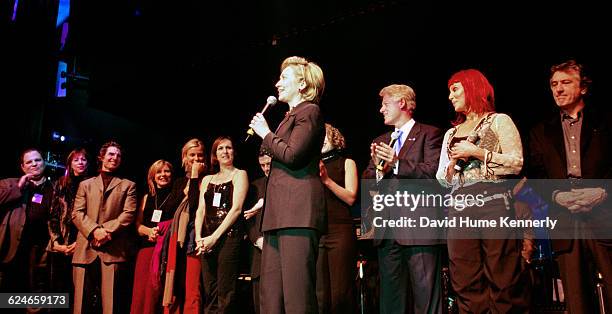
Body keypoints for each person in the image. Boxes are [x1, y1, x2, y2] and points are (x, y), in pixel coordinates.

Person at [436, 69, 528, 313]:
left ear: (473, 87)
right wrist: (453, 164)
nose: (449, 96)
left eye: (455, 89)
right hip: (460, 207)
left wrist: (476, 153)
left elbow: (516, 162)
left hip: (494, 202)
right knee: (464, 278)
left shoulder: (499, 121)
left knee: (502, 276)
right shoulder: (451, 134)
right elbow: (442, 180)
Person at [528, 60, 612, 313]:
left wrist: (604, 191)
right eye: (554, 84)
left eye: (566, 83)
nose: (558, 89)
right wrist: (556, 195)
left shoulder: (606, 124)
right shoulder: (540, 132)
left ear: (583, 88)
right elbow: (536, 176)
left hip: (604, 212)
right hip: (565, 216)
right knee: (576, 299)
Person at [249, 55, 326, 313]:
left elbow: (293, 155)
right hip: (277, 215)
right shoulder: (289, 116)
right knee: (271, 296)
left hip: (297, 213)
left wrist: (265, 133)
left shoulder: (310, 112)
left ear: (302, 84)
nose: (278, 84)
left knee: (298, 295)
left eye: (284, 78)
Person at [362, 84, 444, 314]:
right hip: (388, 232)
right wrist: (380, 169)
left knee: (426, 298)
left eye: (385, 104)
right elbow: (369, 178)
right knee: (391, 302)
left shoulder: (430, 134)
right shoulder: (380, 141)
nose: (381, 109)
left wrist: (397, 163)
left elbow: (433, 174)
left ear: (402, 103)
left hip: (419, 229)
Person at [72, 141, 137, 314]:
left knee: (111, 305)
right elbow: (77, 213)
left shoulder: (128, 185)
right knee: (80, 303)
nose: (114, 158)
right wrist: (95, 231)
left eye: (118, 155)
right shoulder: (85, 184)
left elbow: (128, 214)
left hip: (113, 250)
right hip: (86, 248)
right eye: (111, 154)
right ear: (101, 157)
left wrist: (106, 232)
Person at [194, 136, 248, 313]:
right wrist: (199, 238)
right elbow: (200, 210)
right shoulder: (207, 179)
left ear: (234, 152)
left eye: (229, 148)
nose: (225, 151)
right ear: (214, 155)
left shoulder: (240, 174)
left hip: (228, 237)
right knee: (210, 290)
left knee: (226, 291)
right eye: (220, 148)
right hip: (207, 240)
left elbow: (237, 209)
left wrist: (214, 238)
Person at [131, 160, 183, 314]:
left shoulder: (177, 196)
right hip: (146, 250)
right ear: (152, 176)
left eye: (166, 171)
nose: (163, 175)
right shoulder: (147, 197)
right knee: (142, 293)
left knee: (160, 292)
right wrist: (149, 232)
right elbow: (138, 225)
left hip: (166, 251)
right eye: (159, 172)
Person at [316, 123, 358, 314]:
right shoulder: (311, 167)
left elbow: (350, 197)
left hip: (340, 231)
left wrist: (327, 181)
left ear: (334, 137)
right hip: (317, 232)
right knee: (320, 293)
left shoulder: (347, 162)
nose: (322, 139)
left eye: (325, 135)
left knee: (341, 292)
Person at [162, 138, 207, 314]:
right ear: (184, 157)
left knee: (192, 288)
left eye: (200, 155)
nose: (196, 159)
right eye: (192, 155)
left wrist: (195, 176)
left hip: (194, 239)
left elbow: (196, 206)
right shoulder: (179, 182)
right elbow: (170, 208)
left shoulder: (208, 179)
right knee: (173, 285)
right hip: (176, 239)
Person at [1, 148, 52, 296]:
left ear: (44, 162)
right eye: (29, 162)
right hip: (11, 248)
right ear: (23, 167)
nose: (34, 164)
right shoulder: (9, 184)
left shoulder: (54, 188)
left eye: (38, 160)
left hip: (39, 250)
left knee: (36, 292)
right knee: (8, 292)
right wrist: (19, 187)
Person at [47, 148, 90, 307]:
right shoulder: (60, 184)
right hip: (61, 244)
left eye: (83, 159)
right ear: (70, 164)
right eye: (76, 160)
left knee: (78, 294)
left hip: (82, 243)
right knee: (58, 292)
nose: (80, 162)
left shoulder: (92, 183)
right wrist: (57, 243)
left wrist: (81, 242)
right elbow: (53, 216)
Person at [243, 149, 272, 314]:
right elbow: (248, 218)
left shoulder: (287, 183)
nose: (266, 168)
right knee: (260, 302)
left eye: (269, 164)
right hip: (259, 252)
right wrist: (258, 240)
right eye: (263, 165)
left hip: (281, 248)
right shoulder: (255, 186)